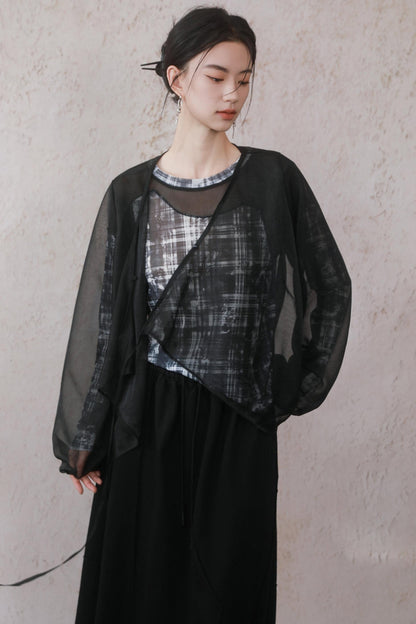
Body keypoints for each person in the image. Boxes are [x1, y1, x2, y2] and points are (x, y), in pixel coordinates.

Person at [52, 6, 351, 623]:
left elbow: (329, 286)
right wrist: (85, 436)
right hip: (145, 423)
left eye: (244, 79)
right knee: (140, 591)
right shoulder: (130, 195)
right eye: (216, 77)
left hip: (238, 426)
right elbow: (106, 325)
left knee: (227, 595)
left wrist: (286, 389)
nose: (232, 94)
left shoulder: (273, 180)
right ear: (176, 78)